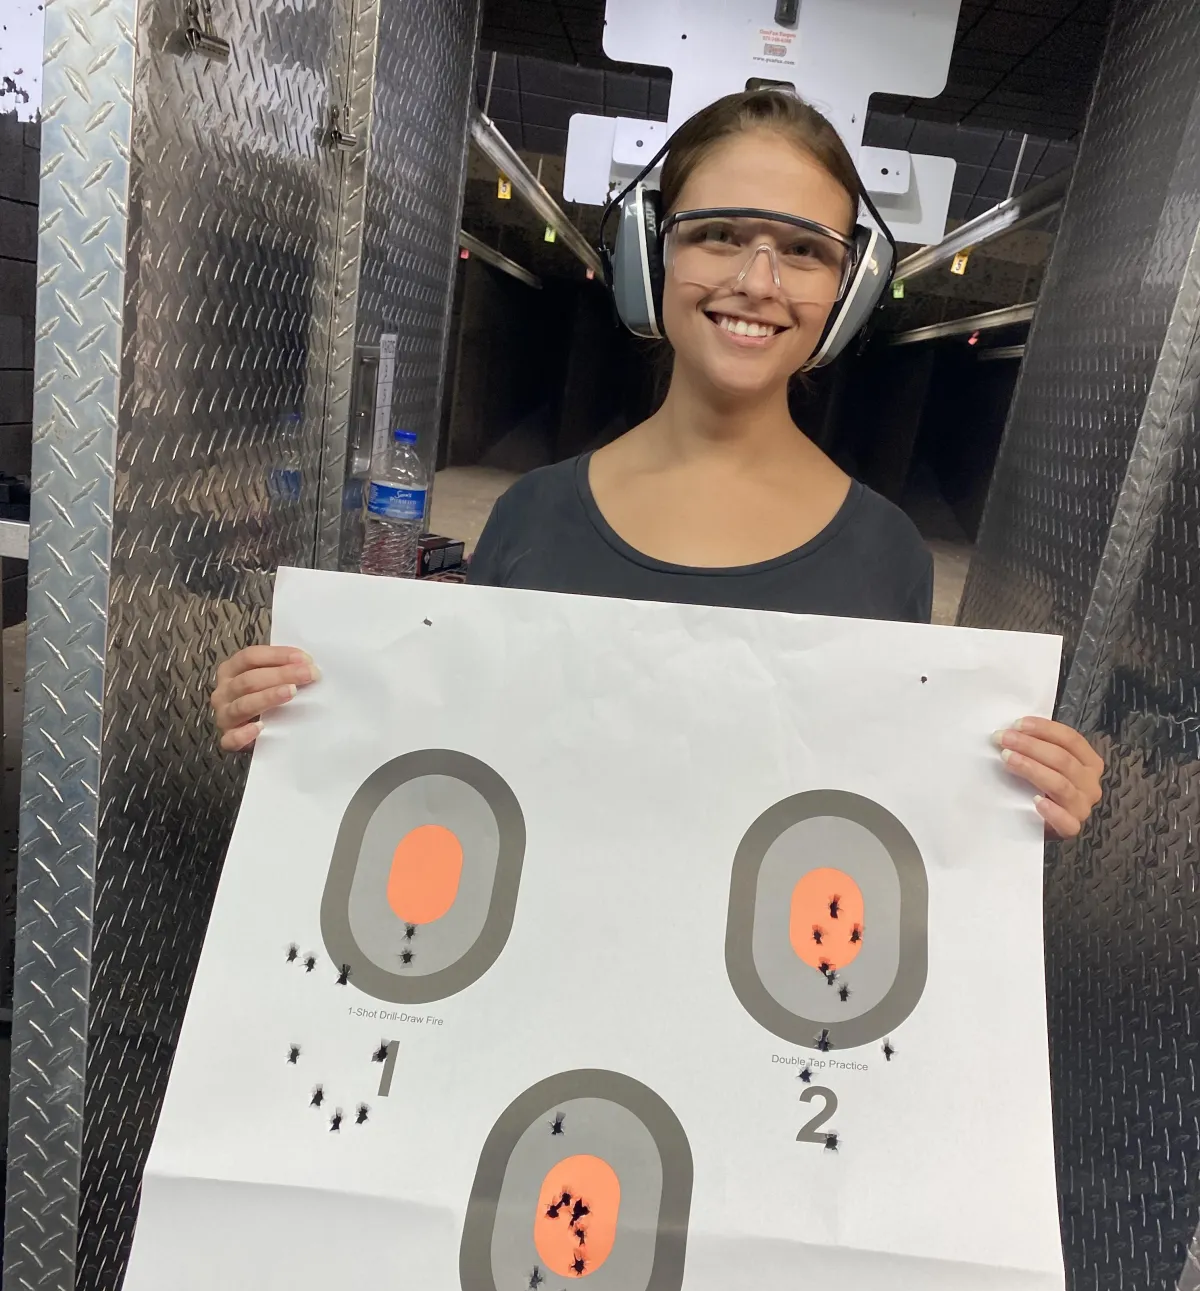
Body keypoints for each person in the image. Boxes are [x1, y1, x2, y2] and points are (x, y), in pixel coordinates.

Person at [210, 89, 1103, 838]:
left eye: (804, 250)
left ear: (848, 288)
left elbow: (873, 814)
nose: (758, 279)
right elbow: (461, 764)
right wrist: (309, 715)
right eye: (719, 233)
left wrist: (1020, 791)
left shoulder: (889, 554)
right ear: (650, 254)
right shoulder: (532, 517)